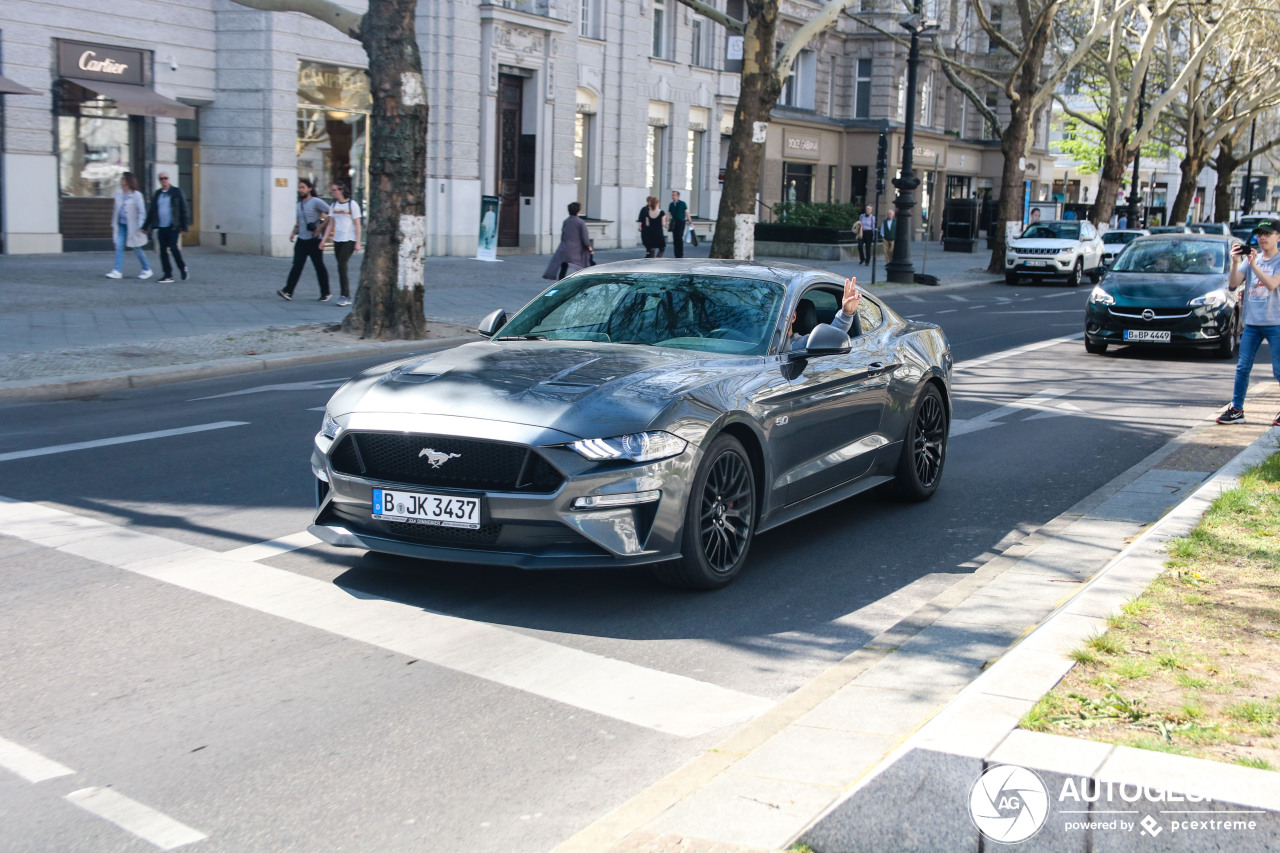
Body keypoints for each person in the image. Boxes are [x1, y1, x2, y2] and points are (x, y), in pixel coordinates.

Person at [1217, 221, 1280, 426]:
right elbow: (1234, 283)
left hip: (1276, 323)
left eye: (1267, 234)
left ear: (1278, 236)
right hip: (1252, 323)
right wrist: (1236, 262)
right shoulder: (1254, 258)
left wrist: (1253, 265)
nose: (1262, 238)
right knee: (1243, 367)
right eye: (1259, 234)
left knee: (1278, 370)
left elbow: (1271, 284)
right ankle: (1237, 410)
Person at [278, 178, 331, 302]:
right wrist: (293, 232)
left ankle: (326, 292)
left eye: (303, 187)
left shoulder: (316, 201)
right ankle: (288, 291)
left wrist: (320, 227)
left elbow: (331, 213)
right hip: (301, 239)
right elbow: (299, 221)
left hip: (314, 240)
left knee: (319, 266)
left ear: (309, 188)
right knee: (297, 265)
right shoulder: (299, 204)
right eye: (299, 187)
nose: (300, 190)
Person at [785, 278, 863, 351]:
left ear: (793, 317)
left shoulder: (804, 343)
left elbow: (831, 335)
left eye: (780, 315)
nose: (774, 319)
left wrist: (846, 313)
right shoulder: (772, 345)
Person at [143, 171, 190, 283]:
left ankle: (182, 268)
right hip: (161, 227)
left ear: (169, 179)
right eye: (161, 179)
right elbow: (152, 211)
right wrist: (145, 226)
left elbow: (184, 209)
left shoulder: (176, 192)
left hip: (173, 226)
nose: (164, 180)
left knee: (173, 248)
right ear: (159, 181)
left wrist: (184, 226)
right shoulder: (157, 194)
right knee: (163, 251)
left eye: (165, 178)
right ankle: (168, 274)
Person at [106, 172, 152, 280]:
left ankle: (147, 269)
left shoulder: (137, 195)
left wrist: (141, 225)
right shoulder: (118, 193)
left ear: (128, 181)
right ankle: (117, 271)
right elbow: (116, 210)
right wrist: (113, 223)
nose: (121, 180)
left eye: (123, 178)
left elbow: (141, 212)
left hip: (133, 226)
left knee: (136, 247)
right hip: (121, 224)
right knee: (119, 246)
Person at [322, 180, 361, 307]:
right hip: (337, 240)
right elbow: (330, 224)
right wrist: (323, 240)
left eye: (334, 190)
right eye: (332, 190)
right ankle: (344, 295)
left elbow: (357, 225)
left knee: (342, 265)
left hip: (349, 239)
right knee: (340, 267)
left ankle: (346, 295)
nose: (332, 192)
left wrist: (358, 242)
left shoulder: (352, 204)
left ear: (341, 190)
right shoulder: (334, 206)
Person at [543, 201, 593, 280]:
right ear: (578, 211)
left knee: (564, 266)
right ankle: (584, 280)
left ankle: (560, 282)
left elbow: (563, 235)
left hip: (565, 248)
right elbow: (585, 238)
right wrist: (589, 247)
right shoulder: (581, 222)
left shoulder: (566, 221)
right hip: (576, 250)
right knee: (585, 264)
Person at [668, 190, 688, 258]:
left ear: (678, 196)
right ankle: (676, 254)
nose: (672, 196)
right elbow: (669, 213)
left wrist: (690, 221)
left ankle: (680, 253)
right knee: (675, 237)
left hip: (681, 221)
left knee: (679, 237)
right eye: (672, 195)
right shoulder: (671, 204)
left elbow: (686, 212)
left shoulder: (682, 203)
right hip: (674, 222)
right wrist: (666, 221)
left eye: (674, 195)